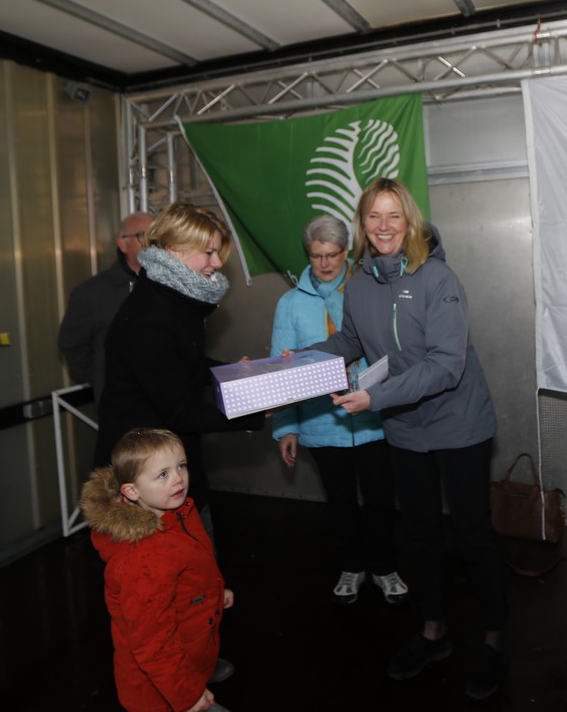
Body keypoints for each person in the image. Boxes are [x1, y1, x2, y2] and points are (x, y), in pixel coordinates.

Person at [300, 178, 509, 701]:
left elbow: (446, 365)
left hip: (459, 425)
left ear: (410, 220)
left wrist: (376, 397)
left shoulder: (438, 277)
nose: (384, 225)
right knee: (420, 534)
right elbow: (350, 341)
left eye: (394, 215)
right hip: (405, 428)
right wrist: (299, 360)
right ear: (362, 224)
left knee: (473, 534)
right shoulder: (358, 284)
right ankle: (434, 632)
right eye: (374, 215)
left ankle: (495, 639)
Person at [96, 203, 262, 542]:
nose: (217, 263)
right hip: (144, 477)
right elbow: (180, 413)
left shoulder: (174, 299)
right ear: (173, 250)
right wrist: (255, 409)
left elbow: (187, 363)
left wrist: (236, 372)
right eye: (208, 253)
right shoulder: (151, 315)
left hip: (167, 464)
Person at [269, 214, 408, 607]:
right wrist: (286, 426)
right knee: (340, 500)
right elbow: (282, 369)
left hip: (374, 420)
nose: (324, 263)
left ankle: (384, 567)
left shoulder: (367, 289)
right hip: (321, 422)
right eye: (316, 256)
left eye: (332, 255)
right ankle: (351, 566)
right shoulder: (290, 304)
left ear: (347, 252)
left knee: (381, 498)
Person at [80, 428, 233, 712]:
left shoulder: (177, 510)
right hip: (159, 693)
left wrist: (214, 589)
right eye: (162, 474)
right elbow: (153, 644)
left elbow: (194, 561)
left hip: (189, 645)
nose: (178, 478)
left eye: (181, 466)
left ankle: (200, 674)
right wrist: (188, 696)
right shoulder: (144, 560)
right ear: (131, 491)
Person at [58, 211, 154, 402]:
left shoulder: (172, 285)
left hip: (171, 403)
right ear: (122, 244)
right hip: (121, 405)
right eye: (143, 235)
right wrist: (104, 379)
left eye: (157, 235)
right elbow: (72, 346)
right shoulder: (91, 293)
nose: (152, 242)